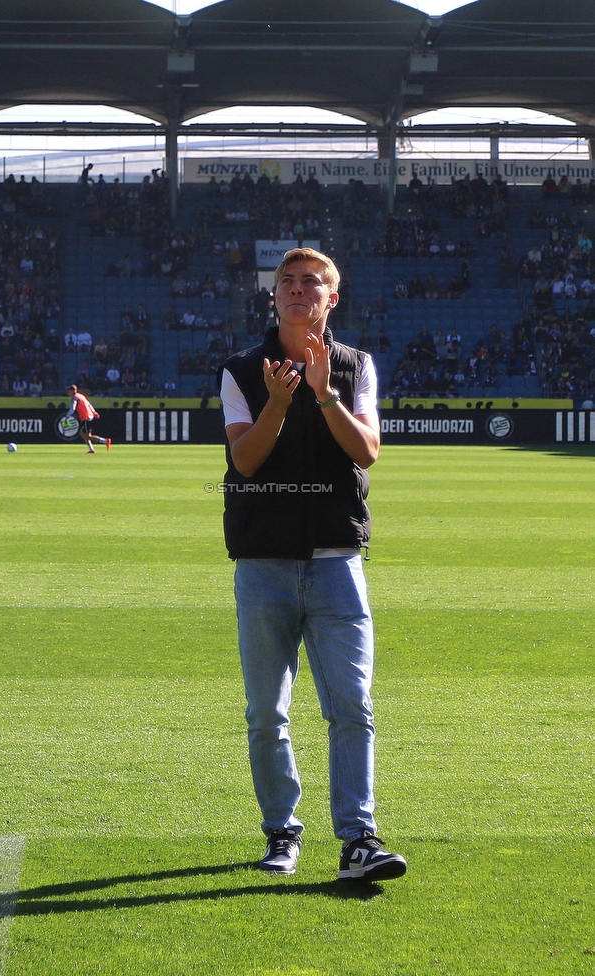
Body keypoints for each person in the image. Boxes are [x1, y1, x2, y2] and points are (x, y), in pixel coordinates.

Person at [218, 246, 406, 883]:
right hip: (264, 565)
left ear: (333, 298)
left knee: (353, 707)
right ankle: (282, 831)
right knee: (267, 713)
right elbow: (244, 463)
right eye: (288, 283)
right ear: (273, 297)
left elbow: (367, 451)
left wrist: (324, 395)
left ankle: (359, 839)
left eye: (312, 283)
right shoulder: (242, 370)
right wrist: (277, 401)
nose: (298, 291)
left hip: (337, 562)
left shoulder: (356, 368)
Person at [64, 384, 111, 454]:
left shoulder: (75, 398)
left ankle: (105, 441)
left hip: (86, 417)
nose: (68, 392)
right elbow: (88, 404)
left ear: (72, 391)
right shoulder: (81, 396)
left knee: (88, 436)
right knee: (82, 433)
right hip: (89, 416)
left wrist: (67, 416)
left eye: (68, 391)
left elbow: (73, 408)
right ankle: (91, 449)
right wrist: (94, 412)